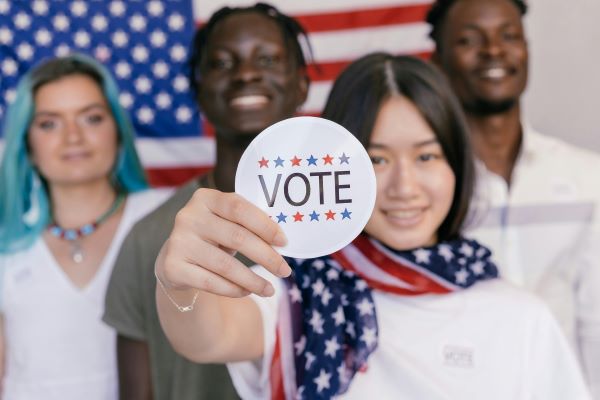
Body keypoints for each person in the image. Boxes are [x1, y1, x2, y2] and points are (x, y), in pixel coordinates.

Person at [155, 53, 591, 399]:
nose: (404, 186)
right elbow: (206, 339)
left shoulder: (519, 316)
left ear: (457, 165)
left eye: (426, 156)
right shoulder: (296, 291)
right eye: (377, 159)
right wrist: (179, 284)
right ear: (338, 174)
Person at [102, 3, 310, 399]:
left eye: (266, 59)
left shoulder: (346, 227)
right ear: (197, 90)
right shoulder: (149, 238)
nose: (246, 74)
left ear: (301, 85)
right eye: (222, 63)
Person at [426, 0, 600, 395]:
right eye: (470, 40)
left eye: (509, 36)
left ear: (526, 49)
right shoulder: (422, 192)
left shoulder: (590, 178)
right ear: (437, 61)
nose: (494, 50)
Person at [0, 54, 171, 399]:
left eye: (91, 118)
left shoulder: (166, 219)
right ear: (28, 144)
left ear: (118, 130)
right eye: (49, 123)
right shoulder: (7, 246)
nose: (73, 136)